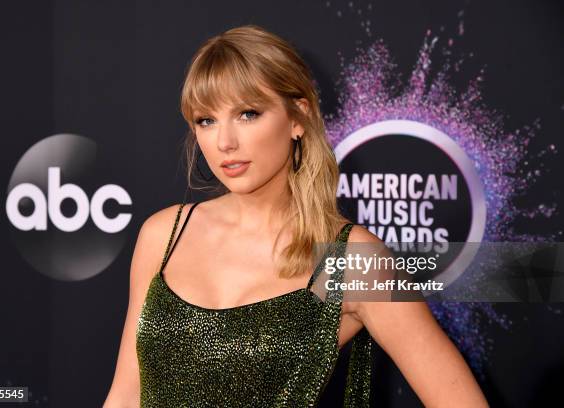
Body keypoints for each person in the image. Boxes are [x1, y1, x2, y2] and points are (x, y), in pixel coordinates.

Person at [103, 24, 488, 407]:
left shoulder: (348, 260)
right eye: (206, 120)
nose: (225, 142)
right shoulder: (165, 234)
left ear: (297, 117)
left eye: (248, 113)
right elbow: (126, 394)